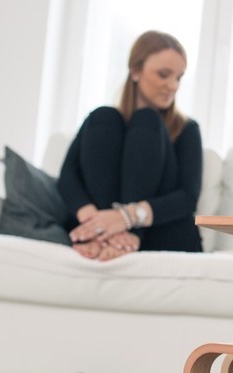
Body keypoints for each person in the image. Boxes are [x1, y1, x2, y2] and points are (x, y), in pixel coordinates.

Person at [57, 30, 203, 261]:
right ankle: (106, 238)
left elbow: (187, 198)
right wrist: (98, 224)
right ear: (135, 71)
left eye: (179, 77)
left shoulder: (187, 129)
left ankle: (122, 237)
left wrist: (126, 218)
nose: (173, 85)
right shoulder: (104, 123)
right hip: (97, 232)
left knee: (147, 120)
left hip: (159, 233)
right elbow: (67, 177)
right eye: (164, 75)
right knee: (103, 116)